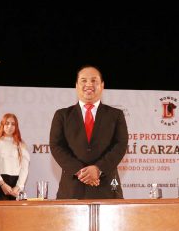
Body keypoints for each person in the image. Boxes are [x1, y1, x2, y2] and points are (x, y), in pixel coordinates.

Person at [49, 65, 128, 199]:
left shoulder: (116, 115)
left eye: (94, 80)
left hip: (107, 189)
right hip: (71, 189)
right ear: (76, 85)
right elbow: (56, 146)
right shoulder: (62, 115)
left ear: (102, 85)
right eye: (84, 80)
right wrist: (80, 171)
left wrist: (98, 169)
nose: (89, 84)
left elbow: (120, 146)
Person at [0, 113, 29, 200]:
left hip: (16, 186)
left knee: (15, 213)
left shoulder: (21, 145)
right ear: (2, 125)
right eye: (7, 123)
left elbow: (24, 168)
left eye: (13, 124)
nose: (10, 126)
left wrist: (18, 186)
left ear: (16, 126)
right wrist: (2, 184)